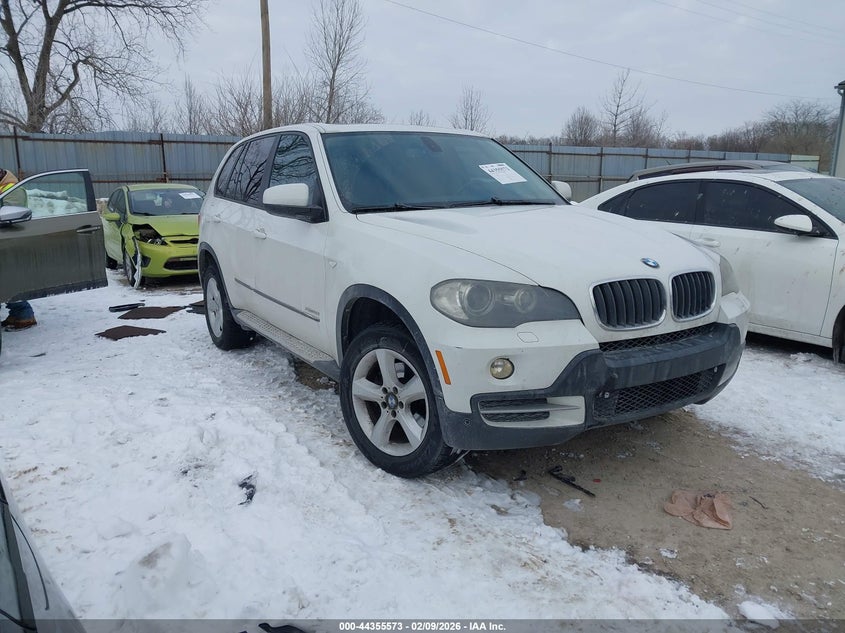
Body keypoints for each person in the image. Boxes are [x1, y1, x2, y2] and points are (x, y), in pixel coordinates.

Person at [1, 168, 37, 330]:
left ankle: (24, 314)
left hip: (9, 239)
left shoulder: (12, 189)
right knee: (7, 279)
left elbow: (10, 214)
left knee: (8, 279)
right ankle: (20, 314)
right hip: (6, 238)